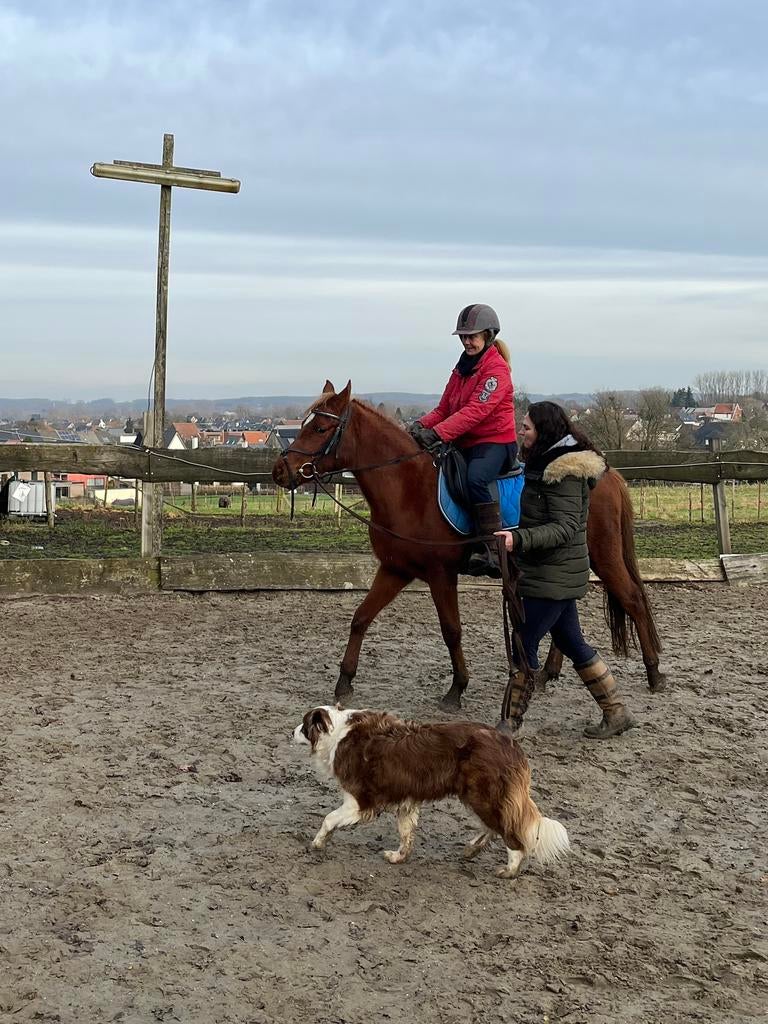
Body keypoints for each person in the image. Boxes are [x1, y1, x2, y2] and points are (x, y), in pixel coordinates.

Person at [495, 401, 636, 739]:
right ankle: (616, 712)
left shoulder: (565, 473)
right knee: (571, 641)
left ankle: (508, 725)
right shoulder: (543, 463)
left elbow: (565, 527)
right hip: (548, 570)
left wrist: (518, 539)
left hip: (554, 574)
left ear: (544, 431)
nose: (521, 431)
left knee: (524, 641)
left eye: (526, 427)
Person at [409, 303, 517, 575]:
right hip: (465, 441)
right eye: (464, 337)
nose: (467, 341)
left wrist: (438, 433)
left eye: (472, 336)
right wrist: (420, 425)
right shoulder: (461, 368)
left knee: (475, 478)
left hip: (496, 442)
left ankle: (491, 548)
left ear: (488, 335)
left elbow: (475, 412)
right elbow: (444, 409)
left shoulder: (496, 371)